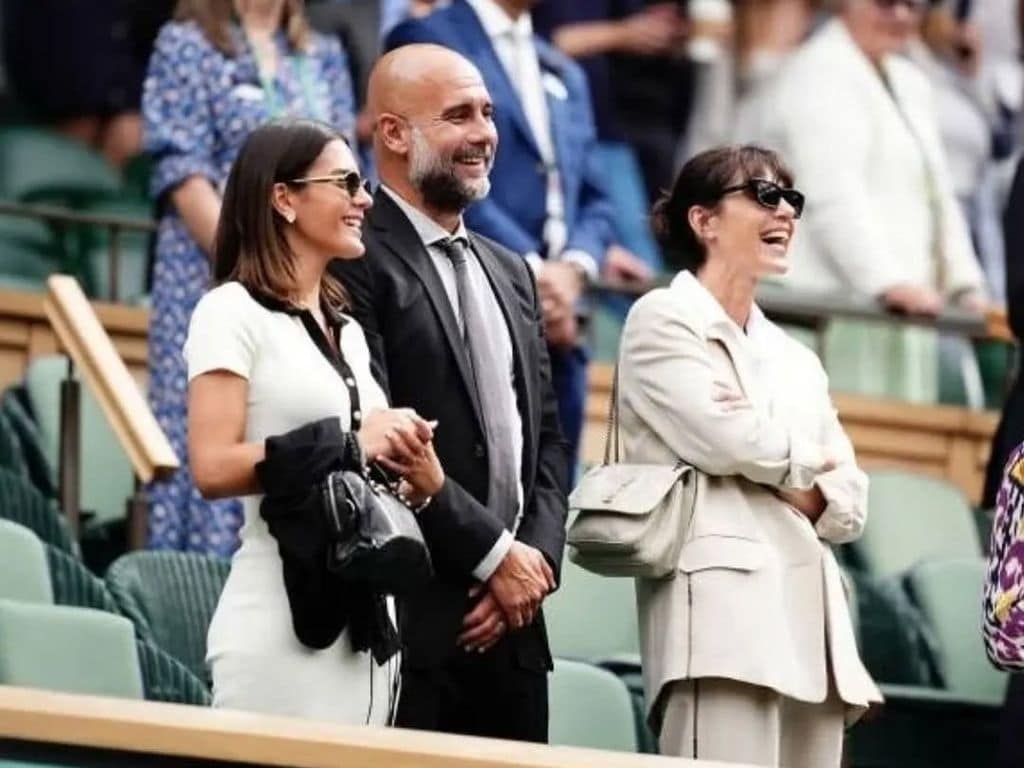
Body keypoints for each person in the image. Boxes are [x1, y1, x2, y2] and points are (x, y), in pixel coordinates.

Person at [331, 44, 570, 742]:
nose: (484, 134)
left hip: (517, 631)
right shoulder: (354, 257)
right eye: (459, 115)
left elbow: (548, 445)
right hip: (414, 623)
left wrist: (532, 565)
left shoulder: (511, 271)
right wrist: (496, 558)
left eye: (489, 114)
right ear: (394, 134)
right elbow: (380, 440)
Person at [619, 145, 881, 766]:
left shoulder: (797, 357)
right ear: (703, 220)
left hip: (811, 627)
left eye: (791, 199)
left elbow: (853, 502)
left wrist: (765, 453)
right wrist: (801, 463)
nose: (785, 212)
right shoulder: (662, 318)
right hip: (720, 624)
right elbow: (725, 439)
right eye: (765, 196)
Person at [187, 118, 442, 721]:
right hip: (279, 628)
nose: (364, 198)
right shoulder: (229, 311)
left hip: (368, 634)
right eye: (346, 181)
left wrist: (418, 476)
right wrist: (352, 444)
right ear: (284, 198)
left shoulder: (348, 331)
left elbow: (362, 467)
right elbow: (212, 466)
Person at [385, 0, 649, 466]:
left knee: (551, 501)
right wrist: (532, 273)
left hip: (560, 323)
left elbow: (595, 197)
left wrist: (573, 269)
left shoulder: (561, 66)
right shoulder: (428, 37)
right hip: (465, 307)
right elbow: (435, 176)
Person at [142, 0, 356, 555]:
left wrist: (300, 276)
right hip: (211, 269)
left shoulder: (323, 55)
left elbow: (346, 176)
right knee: (217, 427)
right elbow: (183, 171)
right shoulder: (187, 43)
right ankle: (192, 590)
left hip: (303, 286)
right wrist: (257, 268)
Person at [737, 0, 987, 403]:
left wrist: (964, 284)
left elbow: (938, 192)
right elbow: (832, 197)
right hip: (831, 311)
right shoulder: (816, 73)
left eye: (912, 5)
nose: (901, 16)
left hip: (903, 310)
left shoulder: (910, 80)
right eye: (886, 3)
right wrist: (887, 283)